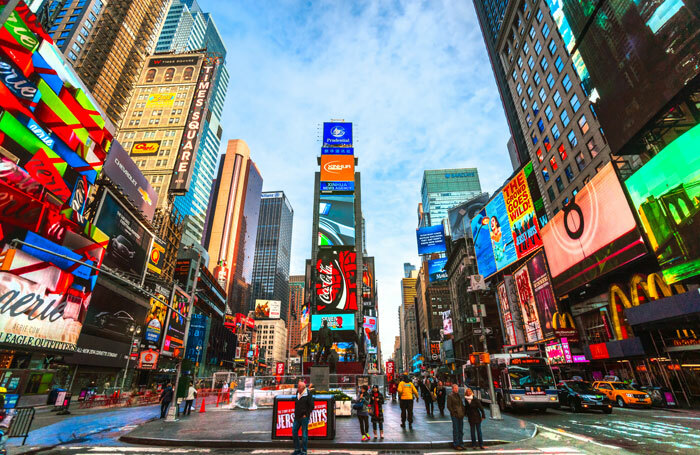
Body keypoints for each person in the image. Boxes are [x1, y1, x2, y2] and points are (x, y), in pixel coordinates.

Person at [293, 381, 313, 455]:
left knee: (304, 434)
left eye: (298, 387)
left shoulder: (308, 394)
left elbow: (311, 406)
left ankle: (304, 451)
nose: (297, 388)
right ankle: (297, 449)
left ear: (302, 388)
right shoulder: (297, 393)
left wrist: (306, 414)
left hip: (304, 417)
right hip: (297, 416)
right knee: (294, 432)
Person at [446, 384, 465, 450]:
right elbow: (449, 406)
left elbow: (461, 404)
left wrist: (463, 412)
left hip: (460, 415)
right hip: (455, 415)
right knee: (456, 430)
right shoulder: (450, 396)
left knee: (461, 430)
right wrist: (453, 413)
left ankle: (461, 443)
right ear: (453, 389)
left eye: (457, 388)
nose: (457, 389)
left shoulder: (458, 395)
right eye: (455, 388)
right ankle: (456, 444)